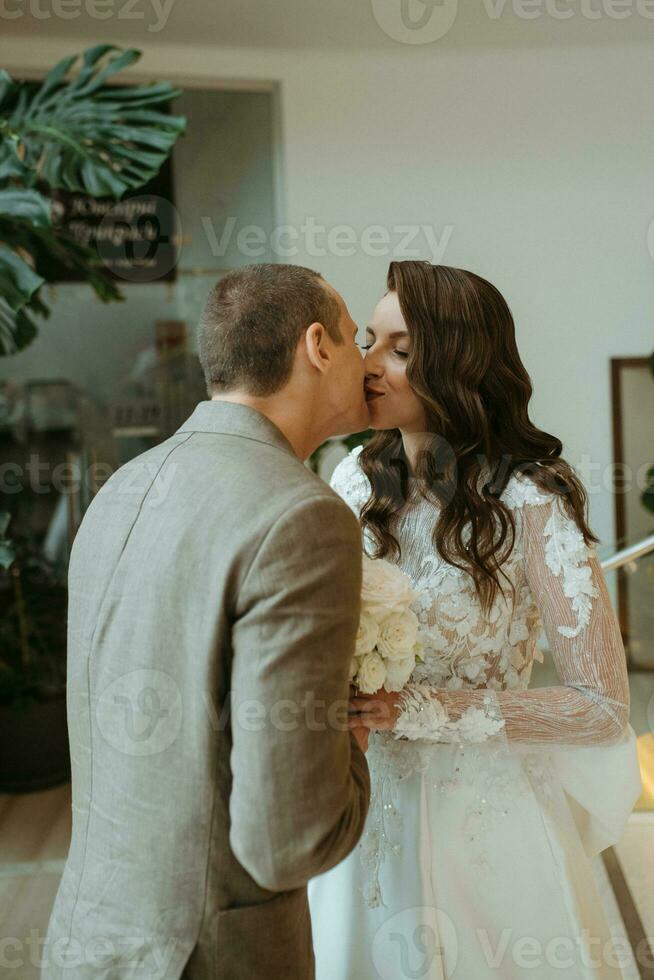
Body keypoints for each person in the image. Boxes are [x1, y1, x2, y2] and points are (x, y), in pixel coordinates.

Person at [309, 260, 642, 980]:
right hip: (364, 807)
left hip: (486, 820)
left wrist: (419, 710)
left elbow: (600, 709)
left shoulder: (531, 503)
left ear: (458, 367)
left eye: (400, 350)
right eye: (370, 340)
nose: (369, 364)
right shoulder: (350, 481)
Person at [42, 263, 372, 980]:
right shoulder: (302, 515)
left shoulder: (124, 485)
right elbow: (287, 841)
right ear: (317, 345)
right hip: (212, 954)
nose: (368, 360)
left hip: (87, 938)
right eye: (356, 339)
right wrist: (352, 742)